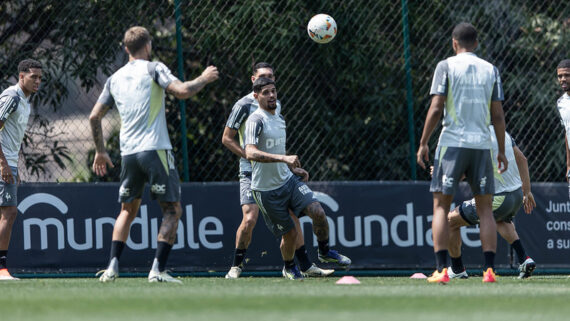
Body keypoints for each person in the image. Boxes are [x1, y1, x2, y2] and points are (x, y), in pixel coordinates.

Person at [89, 26, 218, 283]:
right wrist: (204, 77)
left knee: (127, 210)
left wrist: (101, 151)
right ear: (148, 46)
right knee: (172, 210)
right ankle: (157, 270)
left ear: (126, 49)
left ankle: (112, 267)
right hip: (155, 149)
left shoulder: (114, 78)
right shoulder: (154, 67)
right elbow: (182, 91)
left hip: (128, 154)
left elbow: (94, 116)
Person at [222, 62, 333, 278]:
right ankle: (236, 265)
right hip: (250, 170)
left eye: (271, 77)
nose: (268, 81)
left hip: (276, 171)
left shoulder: (275, 104)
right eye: (263, 77)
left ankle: (305, 266)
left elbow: (275, 144)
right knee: (249, 218)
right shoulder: (243, 106)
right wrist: (250, 156)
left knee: (293, 218)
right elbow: (227, 139)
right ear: (253, 80)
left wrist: (287, 166)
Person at [417, 22, 508, 283]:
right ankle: (489, 271)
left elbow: (436, 108)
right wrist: (500, 150)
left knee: (440, 207)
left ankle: (441, 270)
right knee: (485, 210)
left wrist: (424, 142)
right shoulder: (491, 69)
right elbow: (498, 115)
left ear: (454, 43)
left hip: (452, 144)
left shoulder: (446, 66)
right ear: (476, 44)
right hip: (481, 145)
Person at [244, 77, 351, 280]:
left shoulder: (279, 114)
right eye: (266, 92)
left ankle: (325, 252)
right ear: (256, 96)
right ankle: (289, 266)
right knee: (291, 234)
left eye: (273, 91)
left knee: (318, 212)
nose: (272, 95)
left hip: (288, 181)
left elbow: (275, 148)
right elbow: (250, 153)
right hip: (266, 191)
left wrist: (290, 169)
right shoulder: (255, 120)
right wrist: (284, 158)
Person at [445, 126, 537, 279]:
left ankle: (457, 269)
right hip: (516, 195)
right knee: (500, 220)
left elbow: (461, 174)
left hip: (498, 198)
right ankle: (525, 259)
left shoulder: (473, 137)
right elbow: (522, 159)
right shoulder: (503, 133)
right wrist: (527, 191)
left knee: (450, 221)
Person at [0, 59, 42, 281]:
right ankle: (1, 269)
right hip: (3, 162)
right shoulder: (13, 97)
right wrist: (3, 164)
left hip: (9, 162)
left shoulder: (25, 101)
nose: (38, 81)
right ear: (21, 76)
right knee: (9, 212)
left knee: (7, 212)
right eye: (34, 77)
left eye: (40, 78)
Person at [556, 59, 570, 197]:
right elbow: (567, 132)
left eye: (567, 75)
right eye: (560, 76)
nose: (563, 79)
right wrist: (568, 165)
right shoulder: (561, 103)